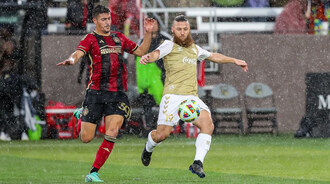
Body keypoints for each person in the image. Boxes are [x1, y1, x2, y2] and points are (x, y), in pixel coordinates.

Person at [139, 15, 248, 178]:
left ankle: (197, 163)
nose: (182, 32)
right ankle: (149, 147)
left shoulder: (194, 49)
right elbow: (156, 53)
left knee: (208, 125)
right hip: (172, 97)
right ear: (173, 30)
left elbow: (213, 56)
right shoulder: (169, 45)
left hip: (191, 98)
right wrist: (149, 57)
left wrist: (234, 60)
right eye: (179, 29)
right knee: (161, 135)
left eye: (185, 29)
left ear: (189, 30)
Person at [56, 5, 155, 182]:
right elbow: (78, 53)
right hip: (95, 93)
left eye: (109, 19)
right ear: (95, 21)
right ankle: (81, 115)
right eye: (103, 19)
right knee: (86, 138)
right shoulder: (90, 39)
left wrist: (147, 33)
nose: (107, 22)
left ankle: (93, 172)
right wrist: (72, 59)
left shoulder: (118, 38)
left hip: (117, 94)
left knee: (112, 131)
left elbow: (140, 51)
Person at [135, 17, 172, 136]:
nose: (153, 26)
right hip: (148, 80)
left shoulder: (165, 38)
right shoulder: (143, 40)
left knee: (166, 104)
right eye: (151, 23)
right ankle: (149, 128)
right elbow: (138, 57)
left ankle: (167, 128)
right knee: (147, 103)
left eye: (155, 23)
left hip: (163, 76)